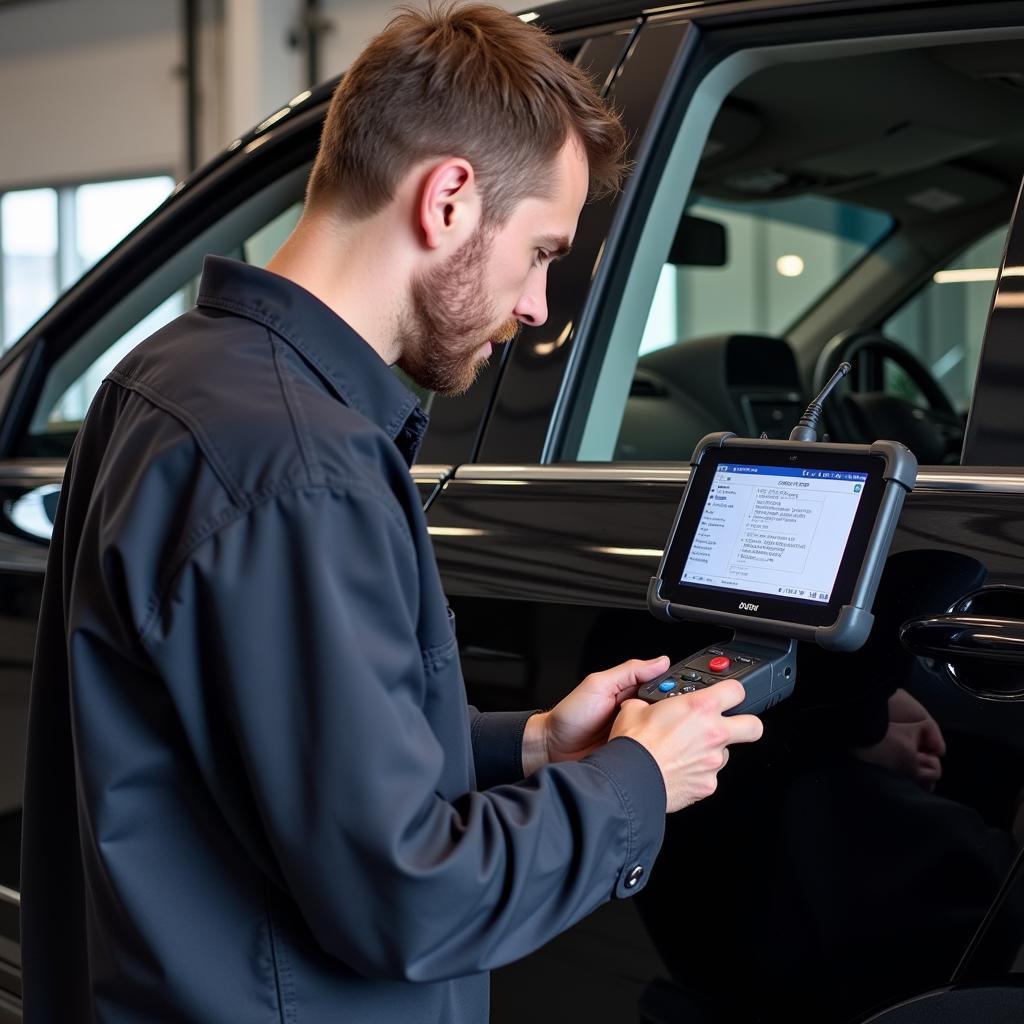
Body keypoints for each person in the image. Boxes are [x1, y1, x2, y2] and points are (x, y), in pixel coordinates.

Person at [20, 4, 763, 1021]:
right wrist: (638, 779)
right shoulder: (298, 466)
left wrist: (535, 743)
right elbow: (411, 900)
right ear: (449, 199)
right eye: (542, 251)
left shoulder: (168, 378)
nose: (539, 305)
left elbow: (280, 752)